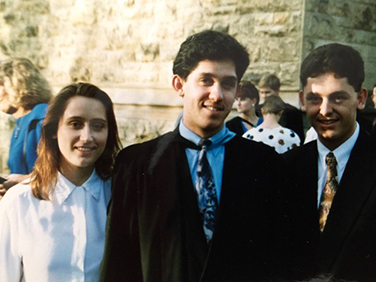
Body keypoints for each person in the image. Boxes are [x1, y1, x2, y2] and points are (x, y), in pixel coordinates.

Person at [100, 30, 288, 281]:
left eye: (228, 84)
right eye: (206, 80)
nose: (217, 94)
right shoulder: (136, 165)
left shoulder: (265, 165)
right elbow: (119, 263)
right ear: (179, 85)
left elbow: (277, 261)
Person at [0, 83, 122, 281]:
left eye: (98, 126)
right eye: (75, 124)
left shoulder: (120, 198)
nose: (87, 137)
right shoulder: (19, 203)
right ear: (54, 129)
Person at [282, 43, 376, 281]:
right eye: (315, 98)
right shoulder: (284, 168)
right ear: (302, 99)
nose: (325, 110)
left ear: (361, 98)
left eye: (337, 98)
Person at [0, 58, 52, 198]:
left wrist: (23, 182)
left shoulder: (42, 118)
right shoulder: (20, 122)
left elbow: (63, 174)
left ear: (16, 84)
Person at [256, 74, 305, 143]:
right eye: (262, 92)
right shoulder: (256, 110)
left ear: (277, 91)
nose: (264, 96)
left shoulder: (292, 111)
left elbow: (299, 138)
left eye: (267, 92)